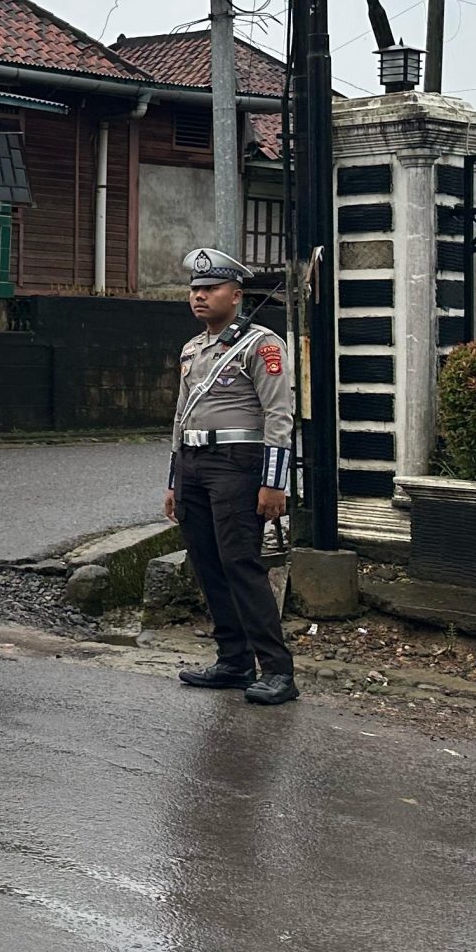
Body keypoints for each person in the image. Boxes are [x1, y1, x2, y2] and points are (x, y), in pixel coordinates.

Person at [166, 248, 298, 705]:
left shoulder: (262, 344)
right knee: (206, 563)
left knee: (241, 563)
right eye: (194, 290)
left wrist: (275, 481)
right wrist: (172, 479)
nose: (199, 296)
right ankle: (233, 661)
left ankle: (278, 671)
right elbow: (181, 415)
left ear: (237, 295)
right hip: (193, 466)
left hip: (238, 465)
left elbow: (280, 415)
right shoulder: (192, 347)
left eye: (210, 289)